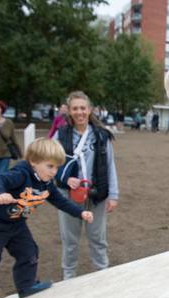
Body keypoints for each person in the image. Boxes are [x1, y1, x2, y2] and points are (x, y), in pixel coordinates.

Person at [0, 138, 94, 298]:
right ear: (33, 161)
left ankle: (26, 286)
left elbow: (61, 201)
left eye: (57, 167)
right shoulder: (21, 174)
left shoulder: (47, 184)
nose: (54, 172)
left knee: (29, 253)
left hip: (17, 225)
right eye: (50, 166)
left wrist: (80, 213)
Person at [54, 91, 119, 280]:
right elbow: (51, 164)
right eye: (75, 108)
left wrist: (113, 195)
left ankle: (102, 273)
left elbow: (110, 165)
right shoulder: (61, 135)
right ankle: (68, 277)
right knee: (70, 240)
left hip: (96, 195)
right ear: (69, 111)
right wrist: (65, 179)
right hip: (68, 197)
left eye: (83, 108)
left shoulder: (101, 135)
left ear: (89, 110)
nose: (79, 112)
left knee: (98, 238)